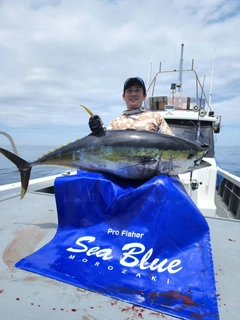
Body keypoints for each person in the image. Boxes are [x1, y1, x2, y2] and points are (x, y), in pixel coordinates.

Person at [88, 77, 173, 135]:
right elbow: (106, 146)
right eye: (129, 90)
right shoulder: (115, 122)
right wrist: (98, 133)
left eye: (137, 90)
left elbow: (171, 144)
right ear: (123, 97)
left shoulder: (156, 118)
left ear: (144, 96)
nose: (133, 94)